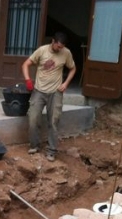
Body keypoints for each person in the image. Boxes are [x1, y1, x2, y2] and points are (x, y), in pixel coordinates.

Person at [22, 31, 77, 162]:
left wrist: (66, 83)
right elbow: (25, 64)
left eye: (62, 47)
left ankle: (51, 150)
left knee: (54, 121)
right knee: (33, 118)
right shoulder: (42, 51)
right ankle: (34, 145)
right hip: (39, 91)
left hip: (56, 92)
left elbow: (73, 68)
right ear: (52, 42)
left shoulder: (66, 53)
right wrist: (28, 80)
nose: (60, 49)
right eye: (58, 46)